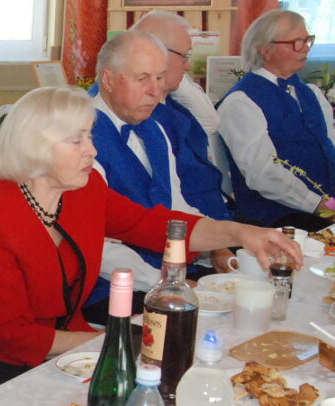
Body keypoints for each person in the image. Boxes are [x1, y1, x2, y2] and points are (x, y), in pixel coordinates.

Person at [0, 86, 302, 400]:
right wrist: (112, 341)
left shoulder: (84, 190)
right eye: (77, 140)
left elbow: (153, 225)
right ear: (36, 147)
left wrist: (241, 233)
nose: (92, 151)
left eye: (90, 136)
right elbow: (10, 335)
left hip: (63, 339)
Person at [86, 30, 232, 318]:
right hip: (105, 288)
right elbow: (94, 243)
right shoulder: (82, 135)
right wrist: (163, 283)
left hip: (162, 276)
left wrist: (217, 245)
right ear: (108, 80)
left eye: (160, 77)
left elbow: (177, 206)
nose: (156, 91)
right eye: (142, 79)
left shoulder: (154, 129)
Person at [218, 8, 335, 229]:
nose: (305, 48)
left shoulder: (310, 93)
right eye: (296, 42)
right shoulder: (241, 101)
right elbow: (262, 172)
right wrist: (320, 206)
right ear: (265, 50)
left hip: (329, 209)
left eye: (307, 40)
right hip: (278, 219)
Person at [132, 10, 234, 221]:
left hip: (213, 218)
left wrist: (169, 80)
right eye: (185, 56)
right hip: (190, 228)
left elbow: (211, 122)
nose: (188, 65)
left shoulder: (171, 102)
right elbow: (167, 203)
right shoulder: (137, 113)